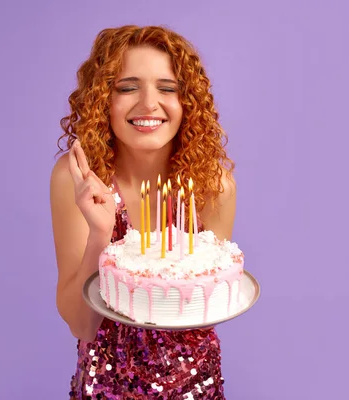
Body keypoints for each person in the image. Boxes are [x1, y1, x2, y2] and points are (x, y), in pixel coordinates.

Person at [50, 25, 237, 399]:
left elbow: (207, 300)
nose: (149, 103)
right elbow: (82, 325)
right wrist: (100, 234)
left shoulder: (212, 185)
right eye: (127, 87)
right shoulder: (78, 182)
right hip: (105, 386)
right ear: (102, 99)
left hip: (193, 384)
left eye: (167, 88)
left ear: (189, 102)